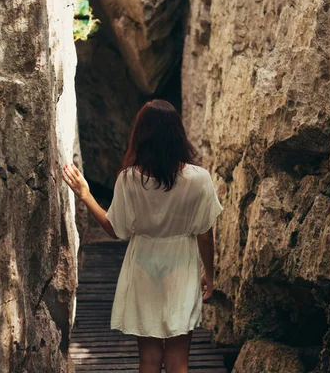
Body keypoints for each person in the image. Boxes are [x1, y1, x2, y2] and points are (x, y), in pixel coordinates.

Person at [62, 99, 223, 373]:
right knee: (178, 361)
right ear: (178, 134)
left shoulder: (129, 179)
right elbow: (205, 235)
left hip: (143, 266)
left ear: (141, 135)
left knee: (148, 360)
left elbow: (115, 229)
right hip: (181, 267)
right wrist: (209, 273)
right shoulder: (200, 178)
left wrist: (85, 194)